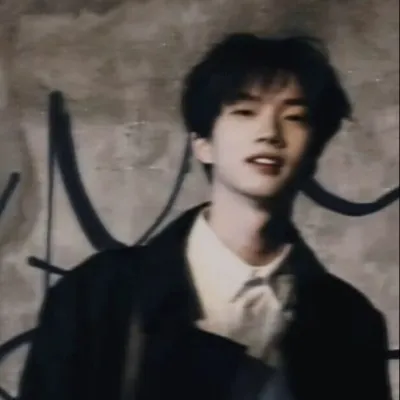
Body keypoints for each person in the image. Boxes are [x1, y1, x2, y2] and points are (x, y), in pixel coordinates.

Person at [18, 33, 392, 400]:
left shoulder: (350, 322)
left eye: (295, 117)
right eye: (245, 112)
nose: (270, 133)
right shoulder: (98, 296)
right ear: (203, 144)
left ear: (313, 153)